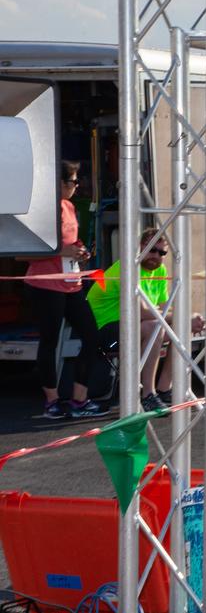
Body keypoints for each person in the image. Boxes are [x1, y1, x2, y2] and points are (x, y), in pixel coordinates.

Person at [87, 228, 205, 411]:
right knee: (155, 326)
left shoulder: (160, 270)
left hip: (132, 329)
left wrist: (187, 318)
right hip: (102, 332)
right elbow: (141, 312)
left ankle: (164, 389)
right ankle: (148, 394)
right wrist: (184, 317)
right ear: (140, 247)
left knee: (177, 326)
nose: (156, 256)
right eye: (151, 250)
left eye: (162, 252)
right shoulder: (126, 268)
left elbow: (165, 307)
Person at [22, 160, 105, 420]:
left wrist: (81, 252)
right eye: (73, 181)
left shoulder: (69, 207)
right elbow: (21, 254)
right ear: (58, 183)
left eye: (77, 181)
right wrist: (62, 251)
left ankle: (79, 399)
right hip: (45, 284)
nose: (76, 186)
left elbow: (72, 242)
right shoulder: (41, 210)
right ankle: (52, 401)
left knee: (92, 336)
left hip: (72, 283)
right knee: (50, 341)